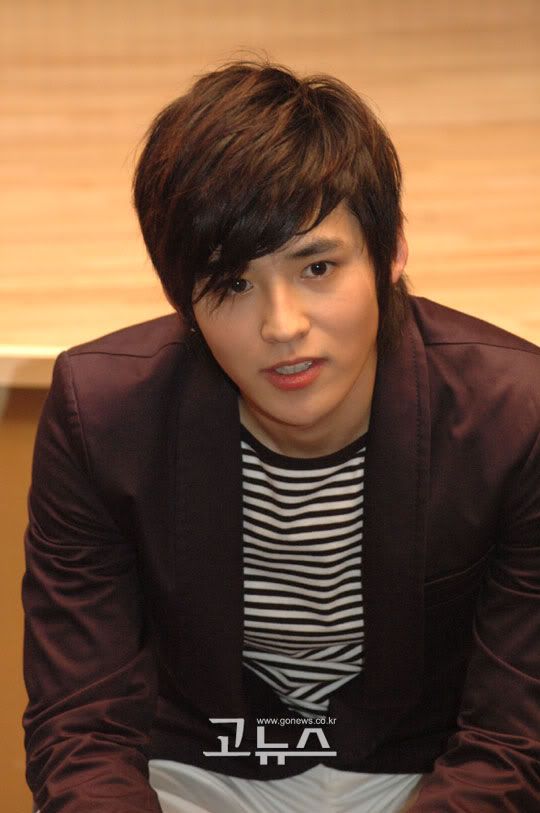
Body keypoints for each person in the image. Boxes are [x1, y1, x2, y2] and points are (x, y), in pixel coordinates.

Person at [22, 60, 539, 813]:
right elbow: (82, 729)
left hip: (426, 770)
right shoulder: (100, 416)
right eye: (233, 283)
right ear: (182, 298)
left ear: (392, 251)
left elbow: (511, 739)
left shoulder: (514, 417)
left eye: (317, 267)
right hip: (193, 768)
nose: (282, 325)